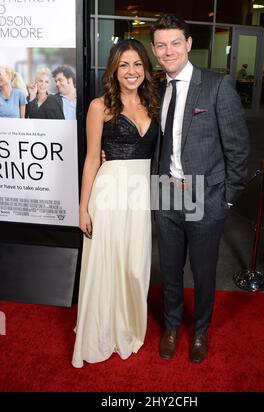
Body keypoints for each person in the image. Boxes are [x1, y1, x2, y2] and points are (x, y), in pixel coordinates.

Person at [150, 15, 250, 364]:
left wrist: (227, 197)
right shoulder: (157, 88)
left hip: (204, 194)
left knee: (204, 270)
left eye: (176, 42)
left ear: (189, 44)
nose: (168, 50)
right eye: (161, 44)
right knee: (170, 267)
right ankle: (173, 326)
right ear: (154, 50)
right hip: (166, 190)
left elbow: (238, 148)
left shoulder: (216, 86)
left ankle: (201, 331)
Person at [72, 39, 159, 367]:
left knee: (134, 265)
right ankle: (102, 331)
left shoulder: (154, 104)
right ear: (114, 69)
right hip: (109, 195)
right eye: (124, 65)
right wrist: (83, 209)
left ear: (145, 69)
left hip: (140, 197)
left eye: (138, 64)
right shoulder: (100, 106)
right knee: (107, 264)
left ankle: (128, 325)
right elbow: (92, 159)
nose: (132, 71)